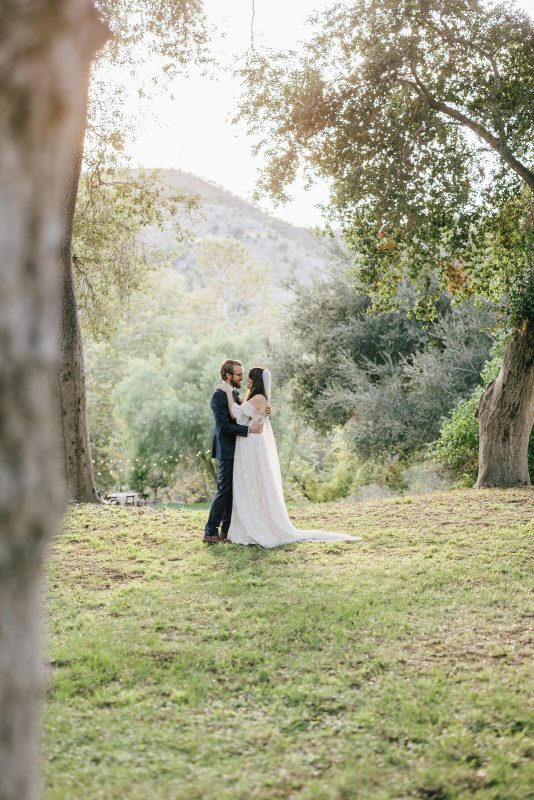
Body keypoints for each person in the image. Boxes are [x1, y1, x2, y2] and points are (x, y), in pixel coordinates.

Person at [218, 366, 360, 548]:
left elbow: (236, 414)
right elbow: (246, 411)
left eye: (251, 378)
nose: (247, 380)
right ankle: (247, 524)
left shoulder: (259, 398)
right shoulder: (256, 398)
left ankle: (253, 526)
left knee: (251, 482)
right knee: (249, 483)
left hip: (251, 445)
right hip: (249, 443)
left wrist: (228, 392)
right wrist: (239, 398)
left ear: (257, 380)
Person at [203, 359, 266, 543]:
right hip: (227, 449)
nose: (242, 377)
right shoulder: (218, 395)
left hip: (240, 449)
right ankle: (210, 531)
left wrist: (263, 410)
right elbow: (223, 427)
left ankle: (226, 530)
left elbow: (243, 410)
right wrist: (248, 430)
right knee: (224, 490)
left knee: (233, 490)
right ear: (228, 375)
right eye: (239, 374)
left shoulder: (234, 392)